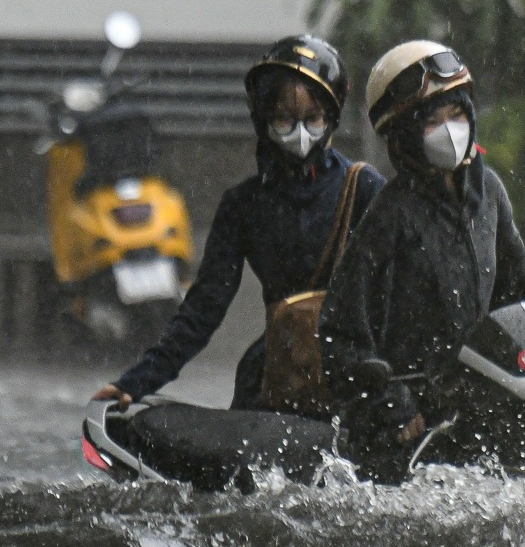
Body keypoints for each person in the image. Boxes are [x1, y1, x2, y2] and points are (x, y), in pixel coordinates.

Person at [319, 41, 525, 480]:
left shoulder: (489, 193)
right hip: (415, 427)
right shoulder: (389, 216)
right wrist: (388, 400)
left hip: (486, 396)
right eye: (432, 121)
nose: (449, 130)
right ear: (404, 134)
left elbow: (515, 267)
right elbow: (340, 330)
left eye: (457, 116)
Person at [94, 36, 383, 410]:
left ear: (331, 118)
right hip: (278, 375)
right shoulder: (244, 205)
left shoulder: (363, 188)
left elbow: (401, 297)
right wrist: (136, 382)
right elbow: (203, 309)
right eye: (284, 119)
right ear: (263, 120)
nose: (299, 133)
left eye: (312, 119)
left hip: (358, 377)